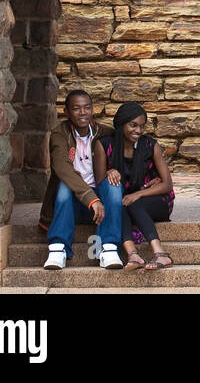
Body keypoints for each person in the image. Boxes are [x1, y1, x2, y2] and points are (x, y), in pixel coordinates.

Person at [40, 90, 124, 271]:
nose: (83, 112)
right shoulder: (59, 134)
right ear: (67, 112)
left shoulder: (104, 132)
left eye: (87, 107)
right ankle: (58, 249)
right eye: (76, 108)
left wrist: (154, 177)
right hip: (74, 204)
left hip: (100, 206)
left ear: (92, 109)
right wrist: (91, 199)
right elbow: (62, 167)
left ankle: (108, 248)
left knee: (114, 186)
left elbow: (131, 145)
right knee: (64, 186)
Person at [95, 102, 176, 272]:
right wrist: (109, 171)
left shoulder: (149, 145)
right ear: (121, 124)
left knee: (130, 203)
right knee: (120, 205)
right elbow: (100, 182)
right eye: (133, 125)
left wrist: (138, 194)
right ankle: (133, 254)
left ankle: (160, 253)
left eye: (141, 126)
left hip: (155, 199)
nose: (138, 131)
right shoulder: (105, 145)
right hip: (124, 201)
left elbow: (167, 185)